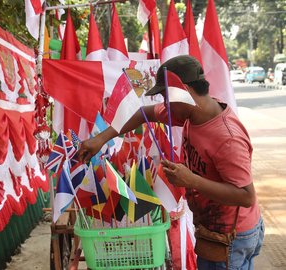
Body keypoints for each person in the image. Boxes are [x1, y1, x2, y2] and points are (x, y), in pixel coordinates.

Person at [77, 55, 264, 269]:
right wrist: (101, 139)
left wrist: (192, 181)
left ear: (184, 91)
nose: (164, 103)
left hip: (232, 237)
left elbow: (246, 196)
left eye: (166, 96)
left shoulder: (226, 137)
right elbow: (142, 113)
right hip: (214, 231)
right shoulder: (189, 113)